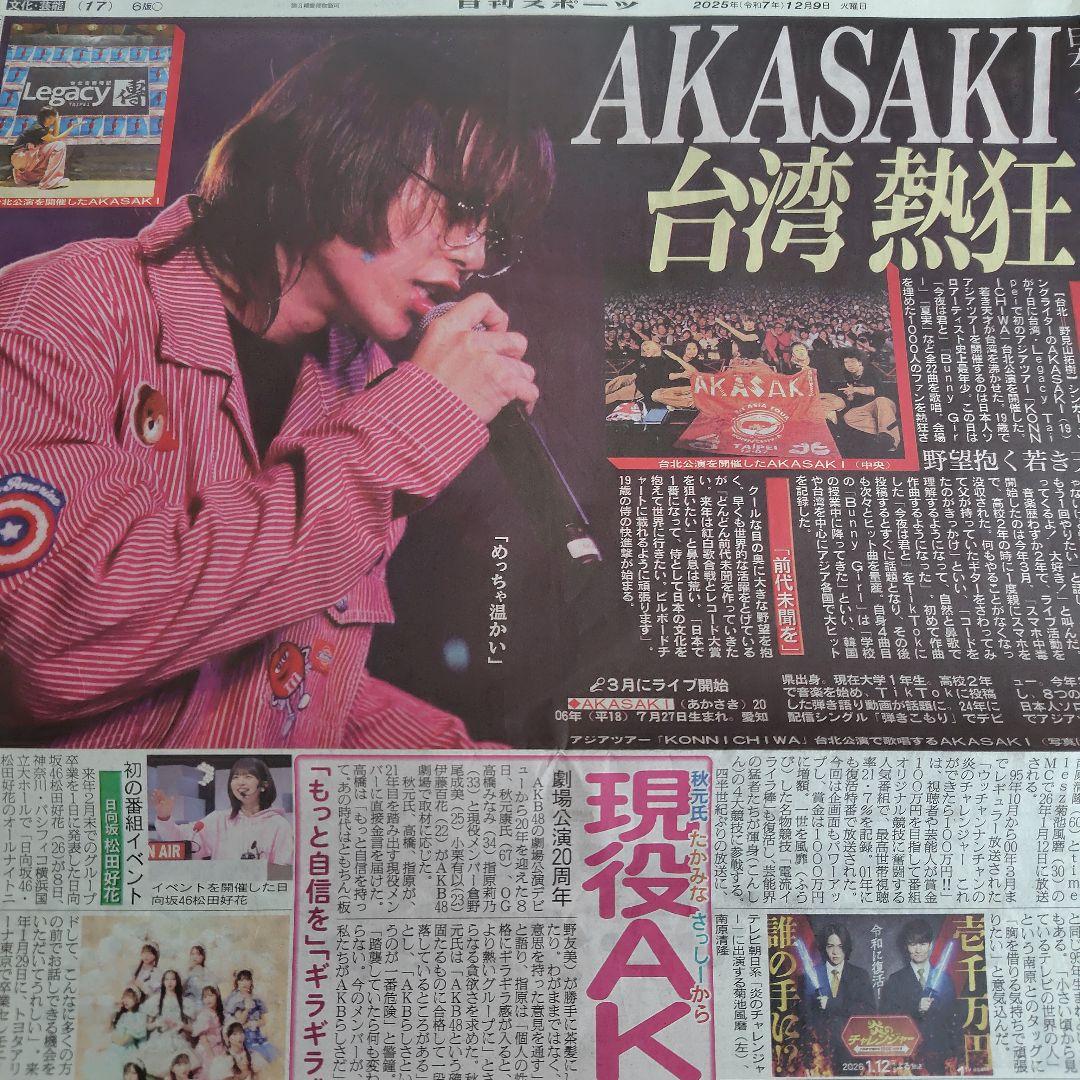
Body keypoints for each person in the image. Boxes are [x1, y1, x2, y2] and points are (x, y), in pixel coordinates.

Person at [0, 34, 553, 747]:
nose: (473, 253)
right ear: (341, 151)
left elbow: (281, 680)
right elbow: (47, 645)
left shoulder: (364, 384)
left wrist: (504, 779)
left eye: (490, 231)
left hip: (236, 820)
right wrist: (407, 429)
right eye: (461, 207)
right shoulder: (68, 304)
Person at [151, 757, 293, 864]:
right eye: (235, 777)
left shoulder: (279, 825)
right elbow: (181, 839)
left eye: (248, 776)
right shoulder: (218, 820)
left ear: (263, 786)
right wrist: (164, 817)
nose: (240, 782)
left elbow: (284, 873)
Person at [879, 919, 963, 1075]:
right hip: (909, 1060)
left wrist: (958, 1057)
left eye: (922, 944)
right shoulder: (895, 980)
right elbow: (887, 1020)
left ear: (930, 945)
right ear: (906, 946)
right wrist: (915, 1008)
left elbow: (955, 1022)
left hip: (942, 1059)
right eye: (913, 944)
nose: (918, 950)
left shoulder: (945, 979)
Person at [798, 923, 876, 1076]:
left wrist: (832, 1004)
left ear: (846, 947)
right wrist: (808, 1058)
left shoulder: (860, 975)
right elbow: (804, 1018)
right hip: (821, 1056)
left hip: (853, 1054)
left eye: (840, 946)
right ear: (824, 947)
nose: (835, 952)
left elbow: (869, 1012)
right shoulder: (812, 975)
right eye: (830, 946)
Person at [142, 970, 194, 1077]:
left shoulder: (184, 1002)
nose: (169, 982)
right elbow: (147, 1026)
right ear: (163, 982)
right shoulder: (156, 1000)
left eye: (173, 979)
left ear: (177, 981)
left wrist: (182, 1025)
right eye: (167, 979)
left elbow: (192, 1029)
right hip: (159, 1040)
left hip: (178, 1040)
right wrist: (157, 1023)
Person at [9, 107, 72, 190]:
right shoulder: (38, 128)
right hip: (21, 156)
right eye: (50, 118)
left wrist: (56, 122)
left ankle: (25, 179)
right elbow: (55, 139)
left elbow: (54, 136)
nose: (52, 120)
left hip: (23, 158)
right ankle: (50, 182)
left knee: (49, 146)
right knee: (60, 145)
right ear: (43, 117)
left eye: (53, 118)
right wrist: (71, 128)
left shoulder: (41, 126)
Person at [224, 970, 278, 1063]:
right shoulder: (236, 1000)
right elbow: (240, 1021)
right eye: (241, 980)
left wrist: (252, 1023)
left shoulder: (256, 999)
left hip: (258, 1036)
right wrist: (247, 1009)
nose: (245, 983)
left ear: (251, 982)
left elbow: (264, 1021)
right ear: (237, 982)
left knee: (272, 1056)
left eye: (247, 980)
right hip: (244, 1037)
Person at [192, 986, 228, 1072]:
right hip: (207, 1050)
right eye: (205, 997)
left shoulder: (221, 1013)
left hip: (220, 1048)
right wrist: (213, 1058)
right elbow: (204, 1040)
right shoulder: (204, 1015)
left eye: (211, 996)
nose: (208, 999)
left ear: (217, 996)